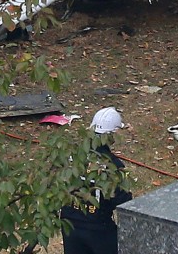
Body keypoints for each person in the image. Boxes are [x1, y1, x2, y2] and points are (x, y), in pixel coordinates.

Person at [60, 106, 133, 254]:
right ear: (111, 134)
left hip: (69, 224)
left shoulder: (72, 156)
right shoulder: (113, 165)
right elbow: (123, 201)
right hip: (99, 229)